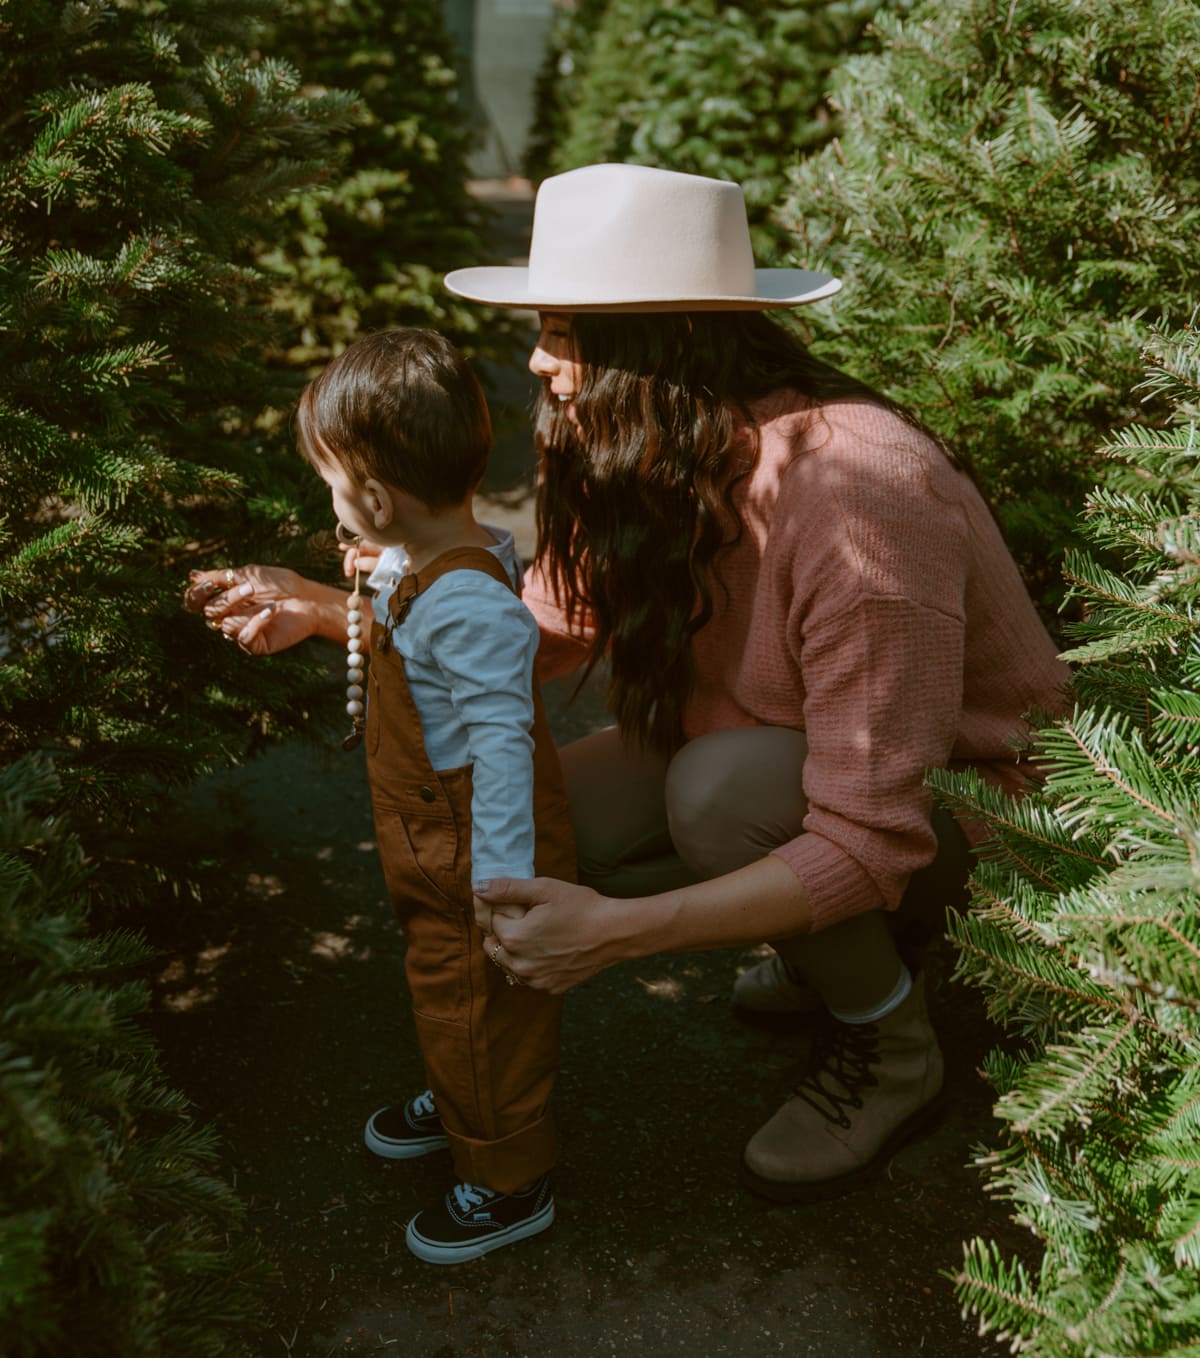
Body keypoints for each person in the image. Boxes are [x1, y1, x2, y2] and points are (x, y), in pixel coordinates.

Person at [190, 164, 1071, 1205]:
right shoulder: (639, 445)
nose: (535, 359)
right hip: (763, 741)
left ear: (660, 344)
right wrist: (325, 610)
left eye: (561, 330)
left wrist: (614, 937)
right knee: (562, 818)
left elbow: (872, 833)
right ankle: (817, 945)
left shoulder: (860, 499)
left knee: (720, 798)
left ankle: (893, 1047)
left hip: (973, 804)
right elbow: (541, 634)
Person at [189, 327, 576, 1264]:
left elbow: (505, 747)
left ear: (374, 497)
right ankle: (462, 1102)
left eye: (332, 484)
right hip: (426, 835)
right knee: (446, 992)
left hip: (469, 854)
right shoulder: (420, 564)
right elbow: (397, 621)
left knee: (482, 1002)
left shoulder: (468, 602)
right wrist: (326, 610)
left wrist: (503, 886)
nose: (331, 505)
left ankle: (506, 1179)